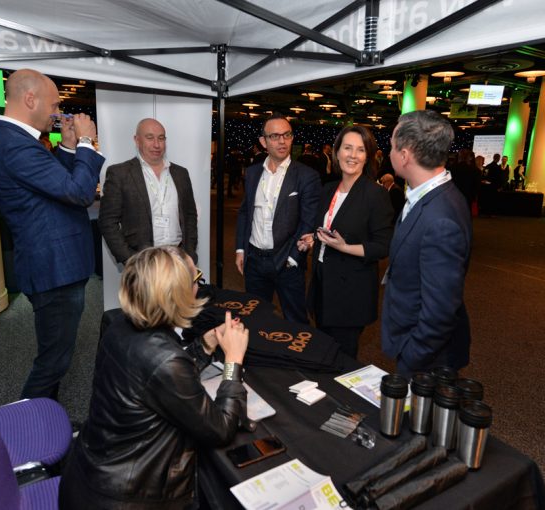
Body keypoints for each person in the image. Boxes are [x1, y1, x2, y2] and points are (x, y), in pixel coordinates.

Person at [59, 246, 248, 510]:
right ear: (179, 293)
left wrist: (205, 344)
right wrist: (233, 362)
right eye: (196, 280)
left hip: (88, 478)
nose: (198, 287)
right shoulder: (166, 359)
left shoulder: (119, 327)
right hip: (127, 499)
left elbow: (158, 381)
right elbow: (222, 429)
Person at [0, 69, 104, 400]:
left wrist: (65, 148)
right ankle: (32, 433)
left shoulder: (15, 141)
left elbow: (55, 189)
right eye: (54, 104)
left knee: (56, 358)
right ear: (30, 99)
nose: (57, 113)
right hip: (53, 269)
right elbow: (79, 193)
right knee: (52, 362)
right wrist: (84, 142)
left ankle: (44, 421)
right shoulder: (13, 144)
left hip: (56, 266)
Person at [381, 110, 473, 375]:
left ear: (405, 155)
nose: (389, 153)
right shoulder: (432, 194)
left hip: (427, 360)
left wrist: (412, 356)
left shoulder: (440, 219)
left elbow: (440, 311)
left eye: (391, 146)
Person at [297, 126, 393, 359]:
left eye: (360, 150)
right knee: (323, 352)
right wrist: (313, 239)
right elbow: (328, 229)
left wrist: (345, 247)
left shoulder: (375, 194)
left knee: (342, 359)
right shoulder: (328, 189)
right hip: (322, 286)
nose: (352, 155)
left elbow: (383, 245)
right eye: (347, 148)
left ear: (368, 156)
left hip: (350, 294)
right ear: (336, 152)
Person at [235, 113, 320, 324]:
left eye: (287, 135)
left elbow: (309, 220)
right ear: (263, 142)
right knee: (254, 318)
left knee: (296, 321)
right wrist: (240, 249)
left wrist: (293, 259)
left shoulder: (306, 176)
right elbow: (246, 212)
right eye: (275, 136)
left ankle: (298, 359)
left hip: (287, 262)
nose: (282, 141)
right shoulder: (253, 172)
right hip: (254, 260)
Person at [99, 118, 198, 264]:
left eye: (161, 138)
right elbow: (107, 222)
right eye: (150, 138)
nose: (157, 145)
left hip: (178, 258)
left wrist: (189, 253)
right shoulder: (120, 173)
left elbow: (190, 216)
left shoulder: (181, 173)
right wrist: (130, 259)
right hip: (142, 260)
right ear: (137, 140)